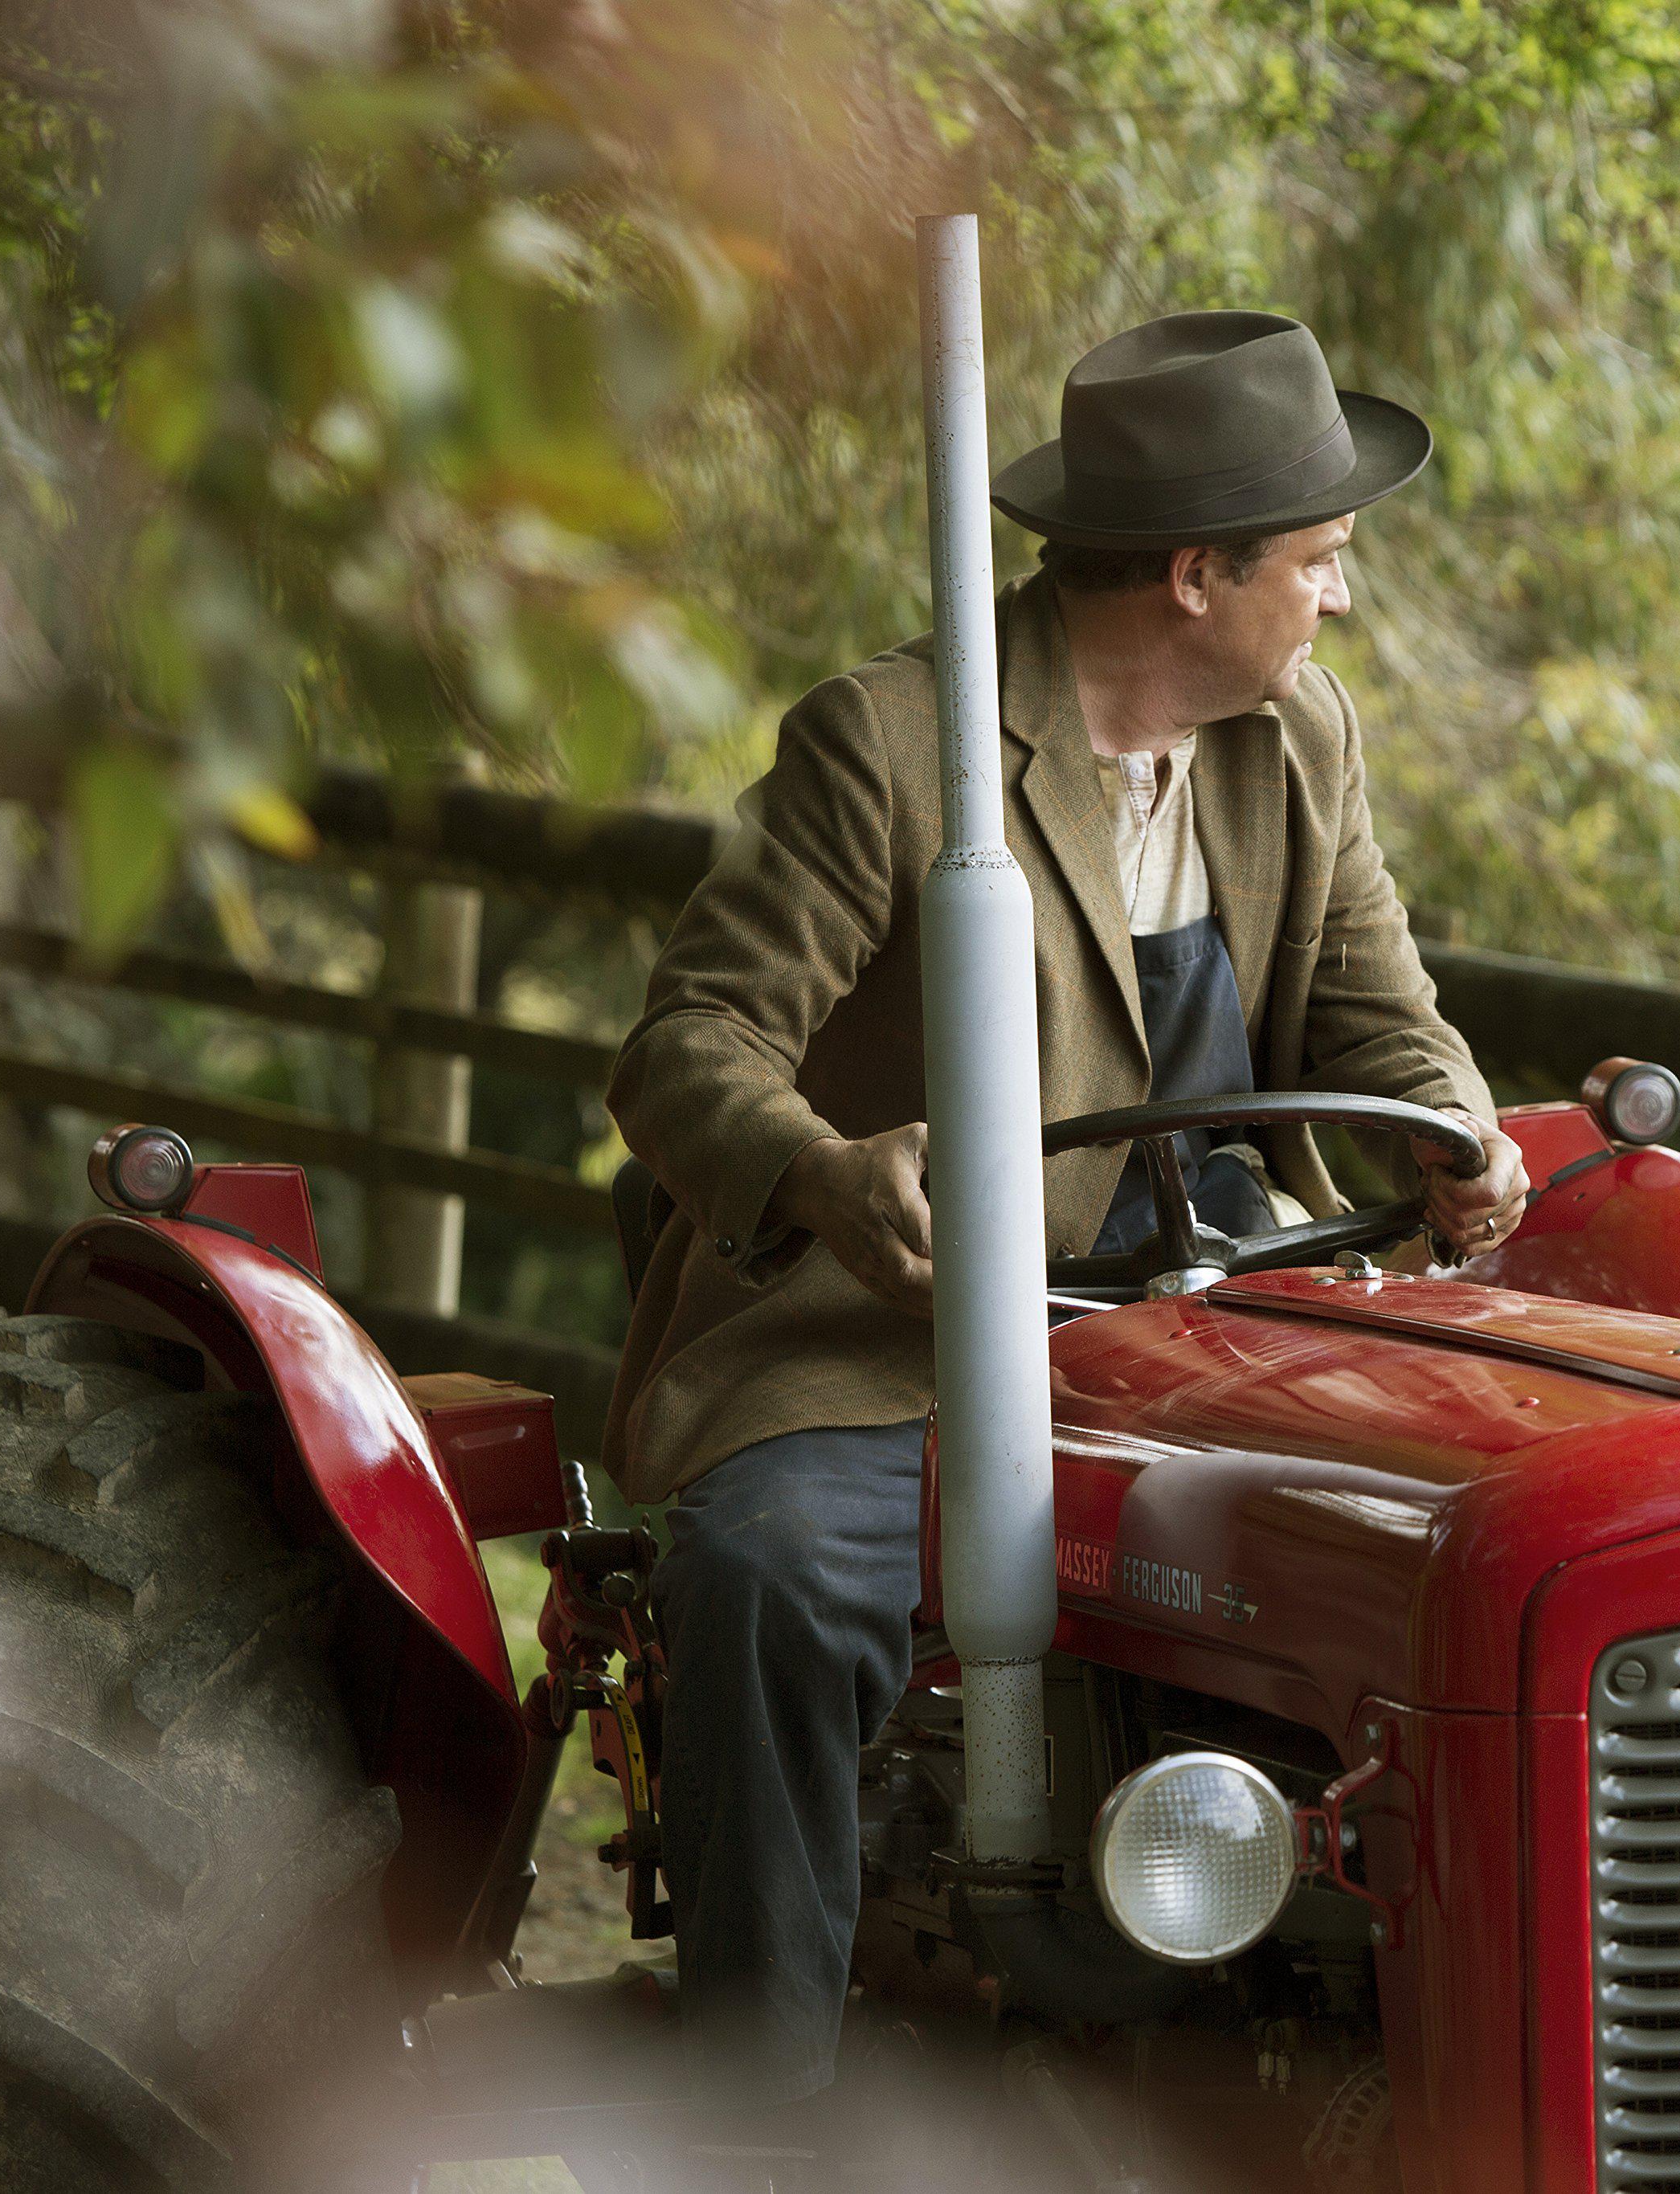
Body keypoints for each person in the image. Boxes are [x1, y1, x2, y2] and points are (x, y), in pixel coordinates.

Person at [599, 309, 1532, 2132]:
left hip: (1213, 1311)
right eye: (1321, 565)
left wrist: (1456, 1128)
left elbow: (1373, 1007)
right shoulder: (889, 742)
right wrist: (816, 1169)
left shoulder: (1293, 736)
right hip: (897, 1337)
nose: (1338, 603)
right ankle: (758, 2119)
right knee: (772, 1578)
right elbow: (683, 1044)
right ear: (1195, 575)